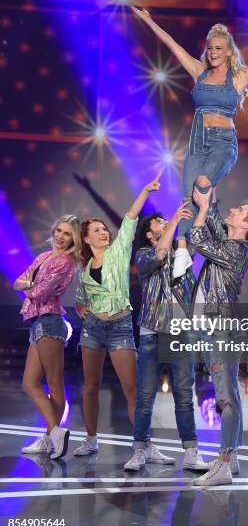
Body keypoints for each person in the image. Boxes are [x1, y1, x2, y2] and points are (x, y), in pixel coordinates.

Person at [131, 6, 248, 277]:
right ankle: (183, 250)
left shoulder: (239, 78)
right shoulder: (199, 72)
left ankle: (200, 225)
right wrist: (148, 20)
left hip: (223, 143)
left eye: (219, 48)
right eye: (210, 48)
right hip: (197, 140)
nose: (213, 52)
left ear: (229, 51)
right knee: (186, 198)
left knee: (203, 183)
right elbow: (171, 44)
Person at [73, 174, 161, 456]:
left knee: (132, 388)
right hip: (92, 330)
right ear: (86, 239)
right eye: (96, 231)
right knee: (90, 386)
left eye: (104, 229)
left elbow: (130, 218)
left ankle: (144, 445)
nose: (103, 233)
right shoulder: (85, 271)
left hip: (120, 326)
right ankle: (90, 439)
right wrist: (80, 308)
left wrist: (145, 190)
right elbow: (81, 299)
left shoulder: (119, 251)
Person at [188, 188, 248, 487]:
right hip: (216, 328)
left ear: (246, 225)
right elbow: (210, 222)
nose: (232, 210)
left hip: (222, 330)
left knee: (225, 397)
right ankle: (231, 455)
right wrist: (209, 196)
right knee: (228, 392)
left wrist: (206, 205)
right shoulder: (228, 244)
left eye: (239, 210)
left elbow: (197, 238)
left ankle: (222, 465)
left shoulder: (236, 250)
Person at [124, 204, 208, 472]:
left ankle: (192, 451)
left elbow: (194, 234)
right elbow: (161, 253)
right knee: (145, 396)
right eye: (158, 222)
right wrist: (173, 218)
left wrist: (203, 206)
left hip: (180, 333)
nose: (164, 223)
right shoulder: (145, 253)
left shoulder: (182, 252)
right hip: (152, 332)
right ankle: (140, 450)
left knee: (184, 395)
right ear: (149, 234)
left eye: (165, 220)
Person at [14, 215, 82, 459]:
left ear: (74, 239)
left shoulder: (64, 261)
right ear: (53, 230)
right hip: (37, 324)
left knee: (54, 384)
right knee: (29, 383)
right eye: (59, 231)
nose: (61, 237)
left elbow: (41, 293)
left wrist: (29, 285)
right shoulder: (43, 257)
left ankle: (53, 433)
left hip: (50, 323)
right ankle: (52, 434)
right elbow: (16, 282)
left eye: (67, 234)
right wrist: (28, 284)